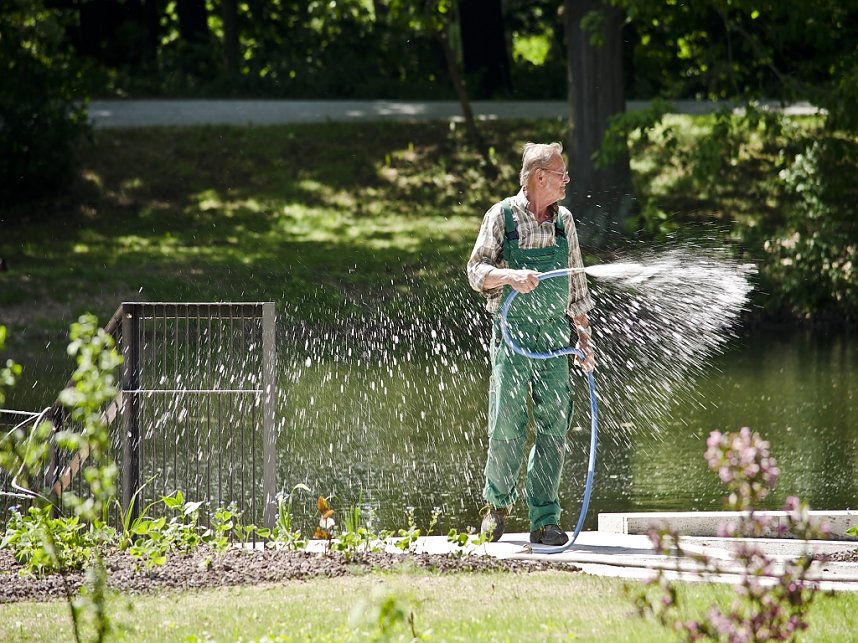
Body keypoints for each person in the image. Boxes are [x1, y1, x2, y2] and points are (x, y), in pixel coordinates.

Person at [466, 142, 595, 545]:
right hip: (513, 336)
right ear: (540, 177)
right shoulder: (501, 216)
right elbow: (476, 271)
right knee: (507, 421)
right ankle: (496, 508)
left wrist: (585, 341)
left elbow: (576, 286)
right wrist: (510, 277)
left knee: (555, 426)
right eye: (562, 174)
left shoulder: (565, 222)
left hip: (556, 339)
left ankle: (544, 519)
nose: (567, 181)